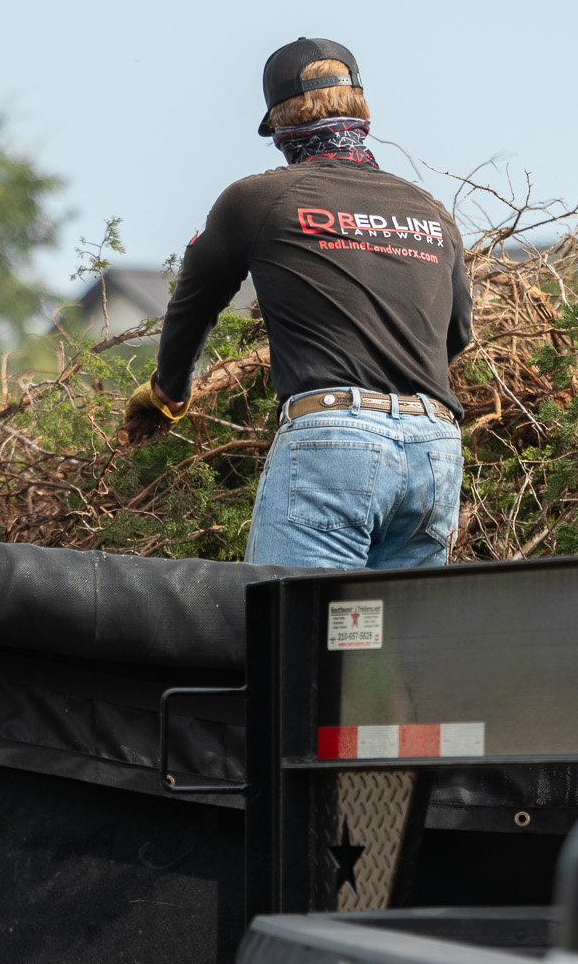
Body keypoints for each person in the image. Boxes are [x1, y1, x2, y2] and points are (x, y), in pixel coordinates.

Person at [122, 37, 472, 571]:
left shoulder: (258, 199)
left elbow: (194, 305)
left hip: (334, 443)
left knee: (291, 636)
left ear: (282, 127)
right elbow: (457, 336)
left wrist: (167, 395)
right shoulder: (430, 211)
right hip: (436, 448)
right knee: (396, 648)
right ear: (362, 111)